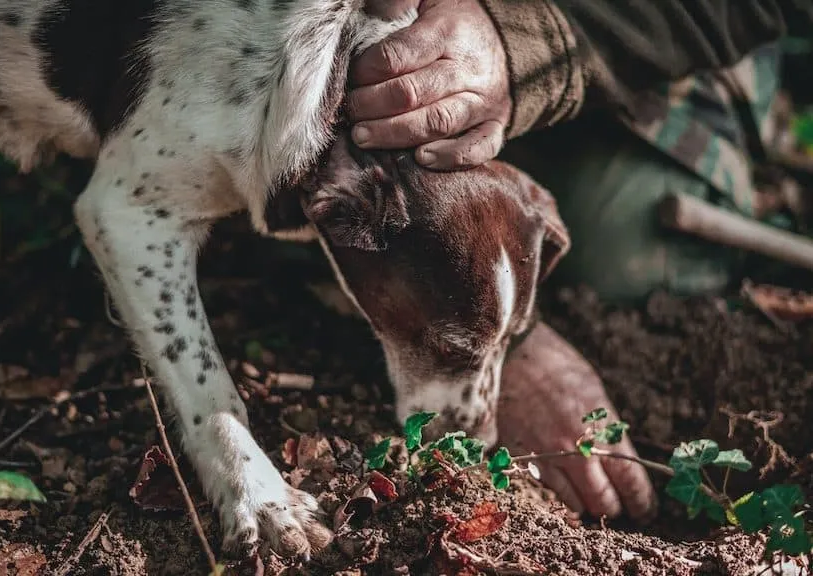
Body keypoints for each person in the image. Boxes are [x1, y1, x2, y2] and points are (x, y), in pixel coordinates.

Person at [348, 0, 813, 522]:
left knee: (634, 256)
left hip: (625, 29)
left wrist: (520, 42)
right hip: (408, 44)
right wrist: (489, 332)